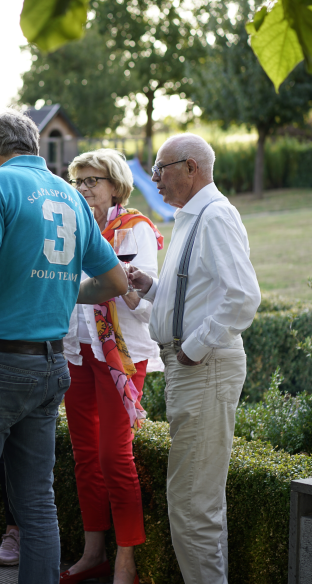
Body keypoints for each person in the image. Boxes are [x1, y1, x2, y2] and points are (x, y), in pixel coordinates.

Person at [0, 110, 128, 584]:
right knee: (38, 504)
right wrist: (56, 291)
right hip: (49, 365)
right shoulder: (70, 194)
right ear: (34, 146)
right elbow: (114, 279)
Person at [127, 133, 260, 584]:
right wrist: (153, 287)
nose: (154, 177)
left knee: (192, 506)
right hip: (196, 370)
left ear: (191, 168)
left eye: (160, 168)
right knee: (194, 504)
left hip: (205, 369)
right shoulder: (191, 215)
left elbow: (242, 297)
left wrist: (193, 348)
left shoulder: (215, 214)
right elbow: (199, 294)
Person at [56, 149, 164, 584]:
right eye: (77, 182)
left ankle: (126, 560)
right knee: (84, 456)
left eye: (91, 181)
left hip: (121, 356)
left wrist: (120, 289)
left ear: (115, 185)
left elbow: (145, 308)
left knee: (113, 455)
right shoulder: (72, 228)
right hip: (78, 351)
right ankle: (93, 551)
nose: (82, 189)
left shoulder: (136, 230)